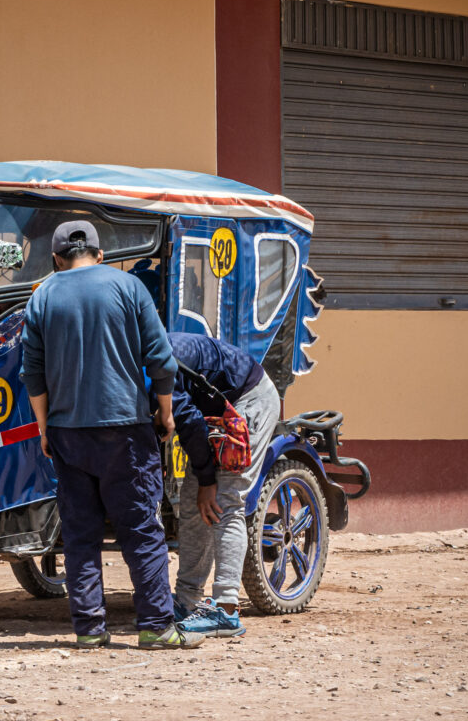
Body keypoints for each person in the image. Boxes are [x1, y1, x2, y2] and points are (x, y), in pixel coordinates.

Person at [20, 220, 201, 650]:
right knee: (140, 527)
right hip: (126, 430)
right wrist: (166, 412)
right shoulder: (128, 288)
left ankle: (88, 630)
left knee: (80, 534)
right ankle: (156, 627)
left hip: (67, 432)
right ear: (100, 255)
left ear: (58, 258)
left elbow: (33, 373)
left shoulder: (42, 295)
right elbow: (161, 360)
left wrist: (45, 428)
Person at [167, 331, 282, 638]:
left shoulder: (157, 361)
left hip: (248, 401)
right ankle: (187, 602)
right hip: (215, 410)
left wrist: (208, 479)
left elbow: (188, 422)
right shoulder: (130, 359)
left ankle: (226, 610)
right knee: (194, 504)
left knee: (225, 500)